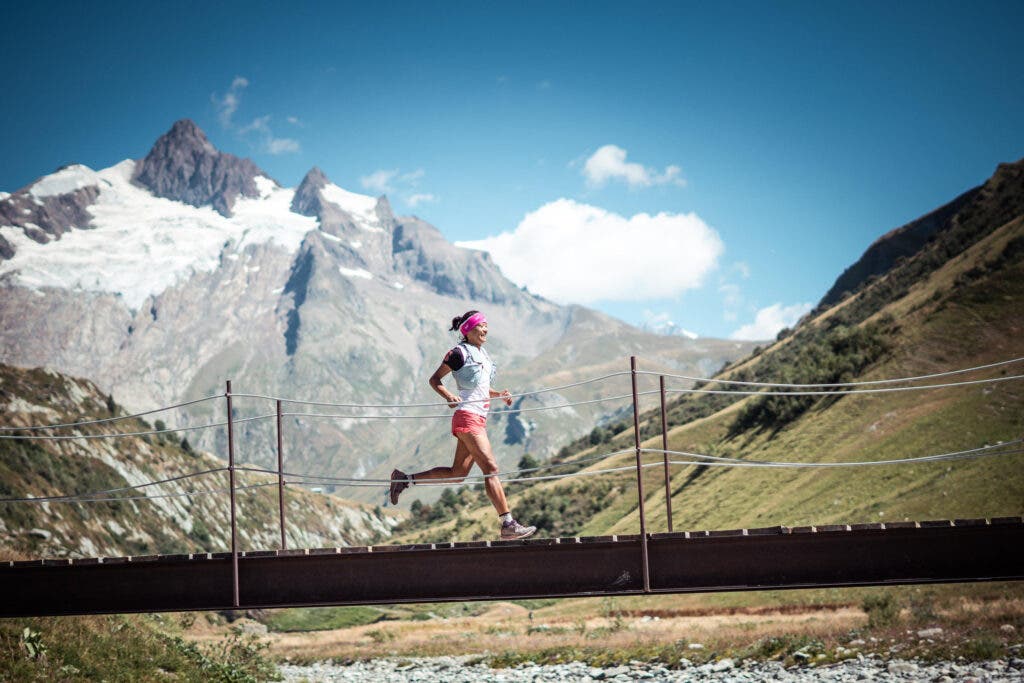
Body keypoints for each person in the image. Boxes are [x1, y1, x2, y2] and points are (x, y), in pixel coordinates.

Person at [389, 310, 537, 540]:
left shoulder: (483, 354)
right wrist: (448, 395)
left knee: (458, 474)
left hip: (478, 418)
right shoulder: (458, 353)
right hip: (467, 417)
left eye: (487, 325)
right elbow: (435, 379)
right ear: (468, 329)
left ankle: (404, 479)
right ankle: (508, 524)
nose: (486, 329)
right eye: (481, 325)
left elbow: (479, 388)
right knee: (491, 469)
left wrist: (498, 394)